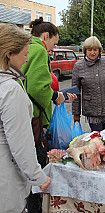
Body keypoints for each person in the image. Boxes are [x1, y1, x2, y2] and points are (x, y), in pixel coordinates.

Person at [21, 17, 76, 212]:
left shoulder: (29, 46)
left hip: (25, 115)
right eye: (54, 43)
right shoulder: (39, 50)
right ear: (46, 37)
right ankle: (35, 208)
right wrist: (55, 96)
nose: (53, 48)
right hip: (34, 117)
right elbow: (37, 87)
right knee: (37, 166)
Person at [0, 23, 51, 213]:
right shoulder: (11, 90)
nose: (27, 59)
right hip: (6, 179)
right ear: (9, 55)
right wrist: (39, 177)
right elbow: (21, 143)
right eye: (24, 54)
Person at [72, 36, 105, 131]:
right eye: (89, 50)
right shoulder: (78, 66)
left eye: (95, 50)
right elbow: (75, 92)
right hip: (91, 110)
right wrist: (76, 113)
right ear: (85, 51)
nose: (92, 53)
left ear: (99, 50)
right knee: (98, 138)